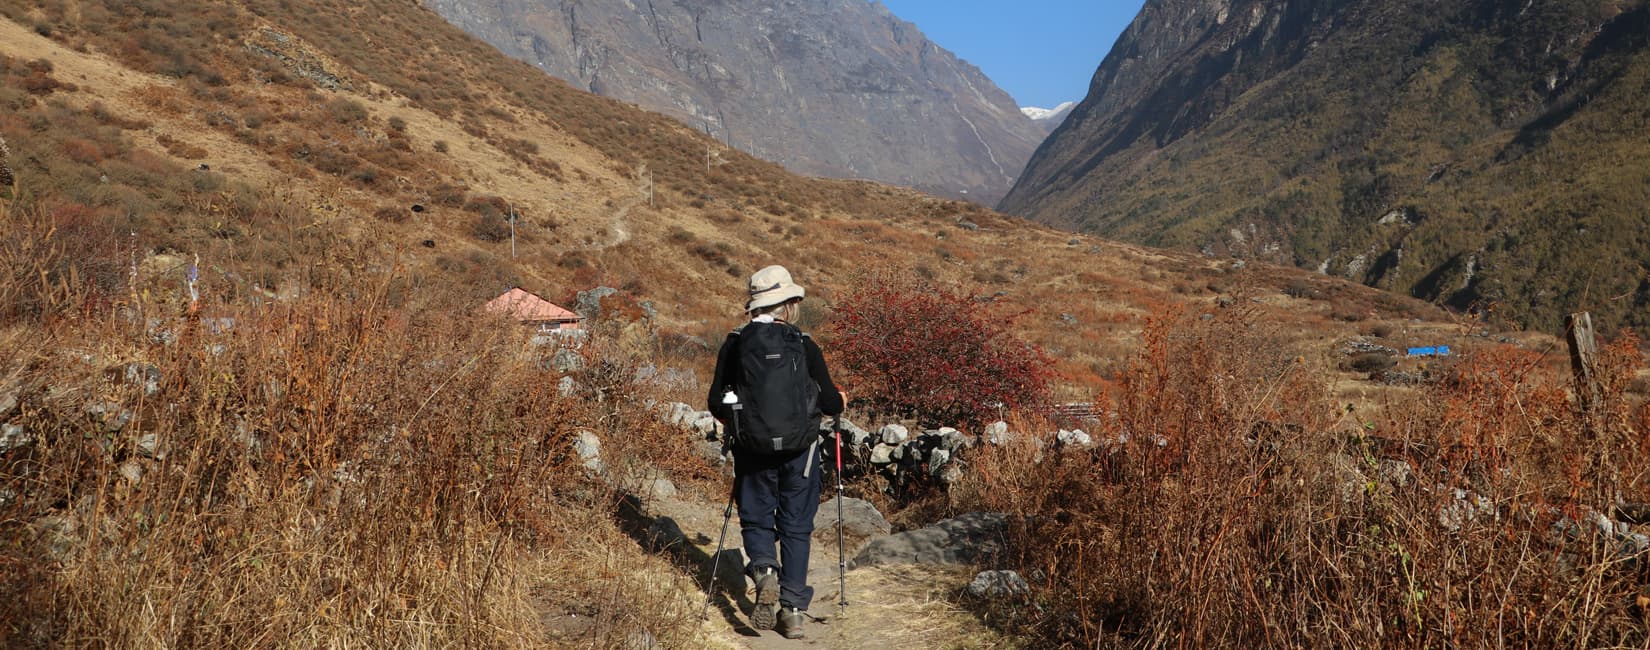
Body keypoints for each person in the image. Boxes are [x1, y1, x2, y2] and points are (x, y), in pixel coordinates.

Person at [707, 265, 844, 639]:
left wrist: (742, 419)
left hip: (752, 450)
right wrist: (839, 401)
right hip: (800, 452)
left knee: (756, 518)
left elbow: (716, 402)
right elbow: (831, 402)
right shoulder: (804, 343)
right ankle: (794, 613)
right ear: (788, 304)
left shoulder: (736, 342)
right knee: (797, 527)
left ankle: (765, 570)